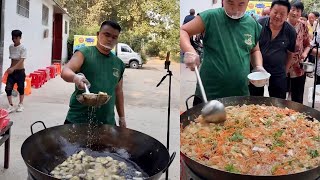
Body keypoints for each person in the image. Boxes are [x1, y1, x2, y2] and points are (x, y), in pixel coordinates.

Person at [180, 0, 265, 106]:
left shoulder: (252, 24)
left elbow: (255, 50)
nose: (235, 9)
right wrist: (189, 50)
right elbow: (183, 31)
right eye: (230, 3)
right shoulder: (210, 17)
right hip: (208, 94)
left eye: (241, 4)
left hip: (240, 94)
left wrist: (258, 66)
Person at [61, 21, 126, 127]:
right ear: (98, 34)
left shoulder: (119, 63)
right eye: (107, 34)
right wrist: (75, 78)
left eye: (114, 37)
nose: (110, 39)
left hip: (107, 122)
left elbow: (118, 91)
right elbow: (65, 71)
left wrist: (122, 118)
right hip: (78, 120)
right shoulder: (84, 53)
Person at [249, 0, 296, 99]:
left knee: (278, 103)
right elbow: (252, 48)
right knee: (254, 100)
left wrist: (285, 71)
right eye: (275, 12)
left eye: (282, 14)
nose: (278, 16)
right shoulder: (258, 24)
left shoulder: (290, 31)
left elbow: (290, 53)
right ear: (270, 10)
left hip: (278, 72)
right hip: (257, 71)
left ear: (287, 15)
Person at [287, 1, 310, 104]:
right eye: (293, 9)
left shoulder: (303, 25)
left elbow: (307, 45)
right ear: (288, 10)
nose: (295, 13)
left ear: (301, 13)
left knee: (298, 97)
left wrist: (305, 53)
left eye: (298, 10)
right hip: (283, 68)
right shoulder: (282, 24)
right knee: (281, 96)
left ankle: (297, 118)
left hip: (298, 68)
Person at [5, 30, 27, 113]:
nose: (14, 39)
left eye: (16, 38)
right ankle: (10, 105)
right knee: (8, 88)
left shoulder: (23, 48)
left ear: (20, 38)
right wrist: (10, 69)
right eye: (13, 38)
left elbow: (22, 60)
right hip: (12, 71)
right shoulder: (11, 47)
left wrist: (13, 68)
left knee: (21, 88)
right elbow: (13, 60)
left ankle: (21, 104)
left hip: (20, 71)